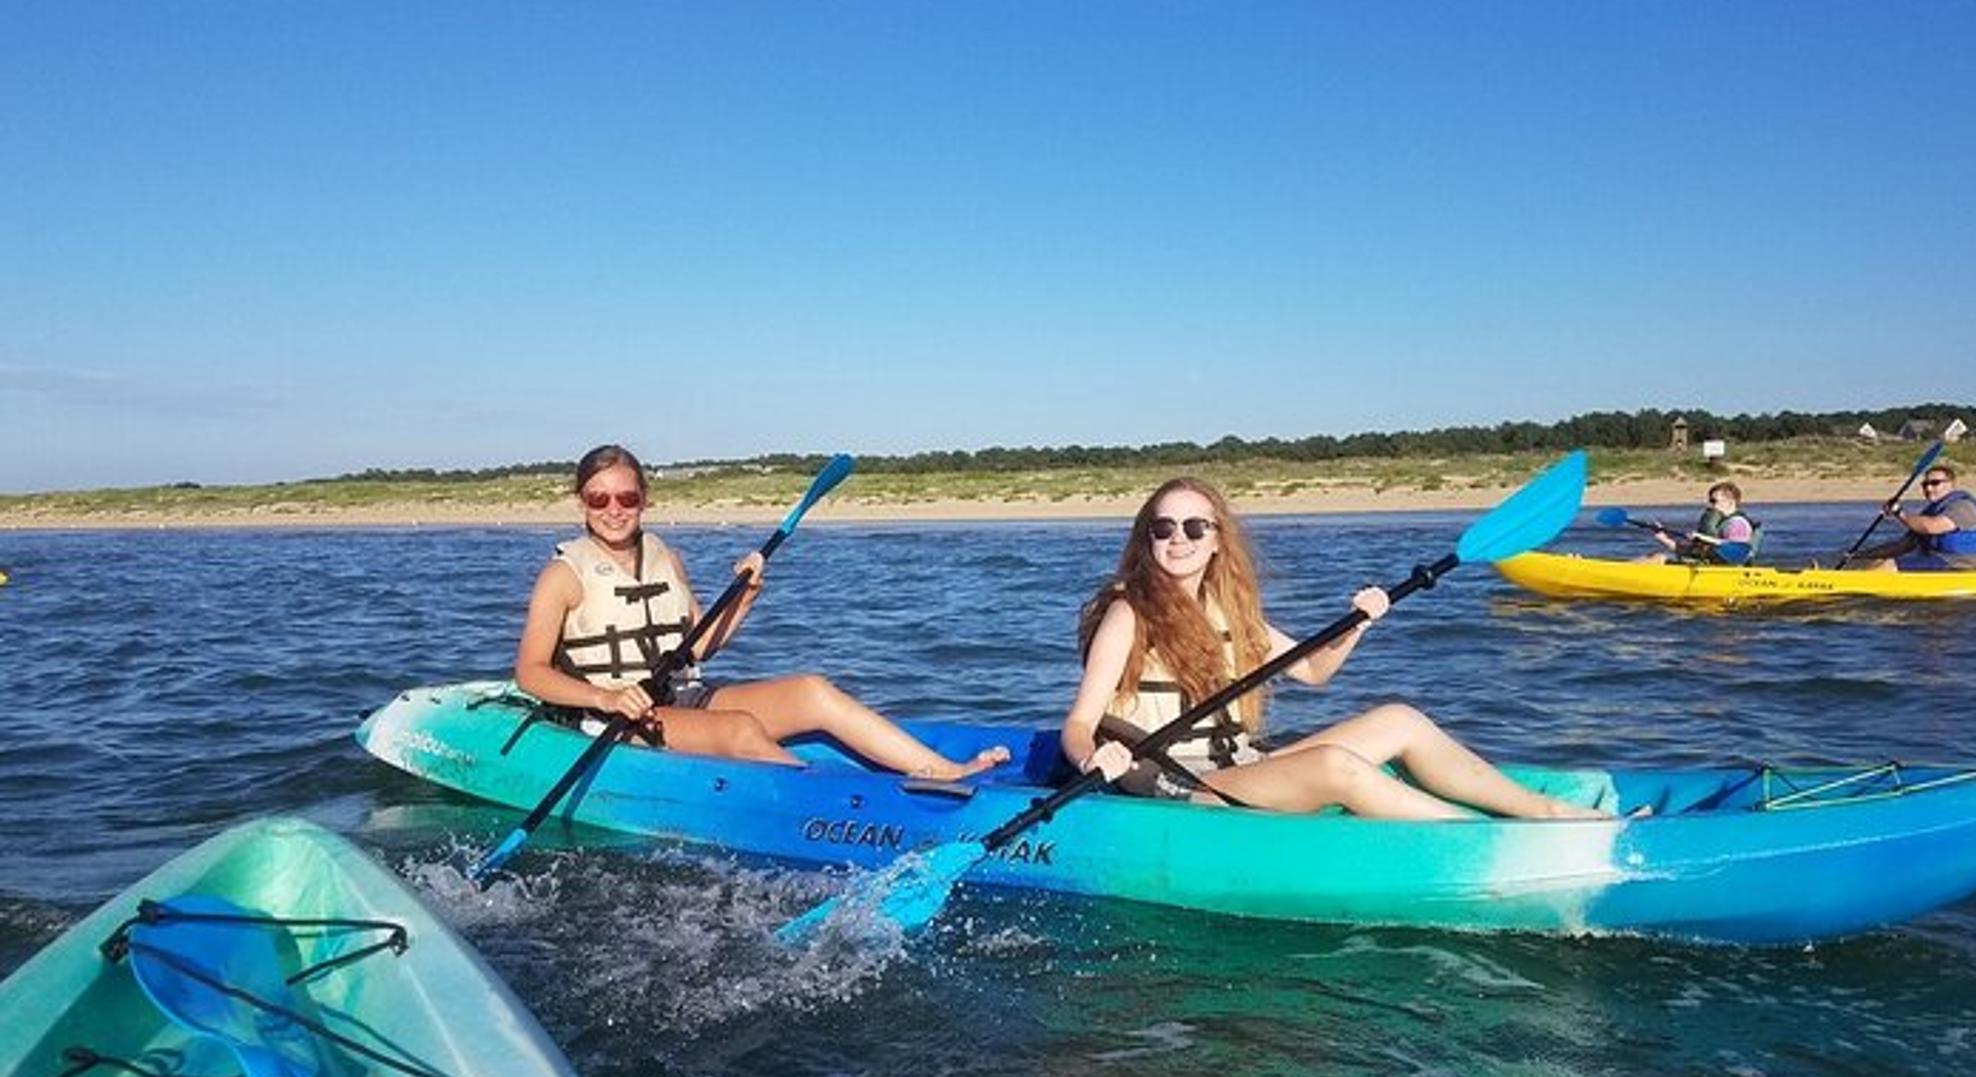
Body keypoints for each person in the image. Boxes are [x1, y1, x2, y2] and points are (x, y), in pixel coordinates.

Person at [1060, 477, 1605, 821]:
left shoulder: (1231, 612)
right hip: (1181, 782)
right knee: (1332, 766)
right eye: (1163, 528)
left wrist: (1357, 625)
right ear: (1148, 539)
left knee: (1400, 719)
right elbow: (1080, 724)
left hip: (1241, 765)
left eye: (1194, 526)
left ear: (1218, 539)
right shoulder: (1129, 613)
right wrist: (1092, 757)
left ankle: (1544, 811)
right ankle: (1480, 836)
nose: (1178, 538)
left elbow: (1314, 672)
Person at [515, 444, 1005, 779]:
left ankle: (942, 770)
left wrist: (745, 597)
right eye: (599, 498)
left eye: (627, 497)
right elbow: (531, 673)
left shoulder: (666, 558)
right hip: (616, 721)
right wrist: (605, 698)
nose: (614, 509)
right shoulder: (563, 575)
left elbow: (698, 647)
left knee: (812, 690)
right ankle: (836, 805)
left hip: (685, 698)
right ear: (582, 503)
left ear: (645, 500)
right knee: (740, 729)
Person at [1851, 463, 1976, 572]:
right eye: (1925, 484)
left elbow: (1930, 527)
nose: (1928, 488)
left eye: (1935, 483)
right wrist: (1860, 555)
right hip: (1941, 560)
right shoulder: (1931, 512)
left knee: (1889, 566)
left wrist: (1899, 512)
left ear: (1951, 485)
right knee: (1880, 562)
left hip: (1960, 563)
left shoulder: (1962, 507)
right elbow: (1903, 546)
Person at [1643, 481, 1758, 565]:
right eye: (1710, 501)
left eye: (1714, 501)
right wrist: (1664, 539)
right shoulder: (1721, 524)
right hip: (1709, 567)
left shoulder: (1737, 523)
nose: (1710, 505)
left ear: (1730, 502)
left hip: (1724, 573)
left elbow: (1736, 553)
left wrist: (1701, 537)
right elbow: (1693, 552)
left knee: (1659, 559)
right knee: (1656, 557)